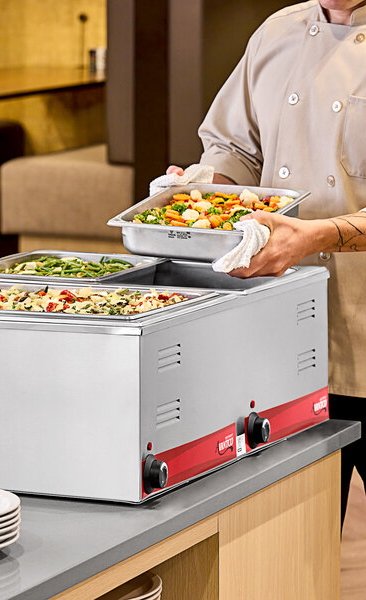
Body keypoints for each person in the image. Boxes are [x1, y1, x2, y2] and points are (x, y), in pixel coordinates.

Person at [167, 0, 366, 525]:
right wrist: (199, 193)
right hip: (288, 344)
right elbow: (234, 150)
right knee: (299, 548)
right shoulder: (279, 31)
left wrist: (316, 235)